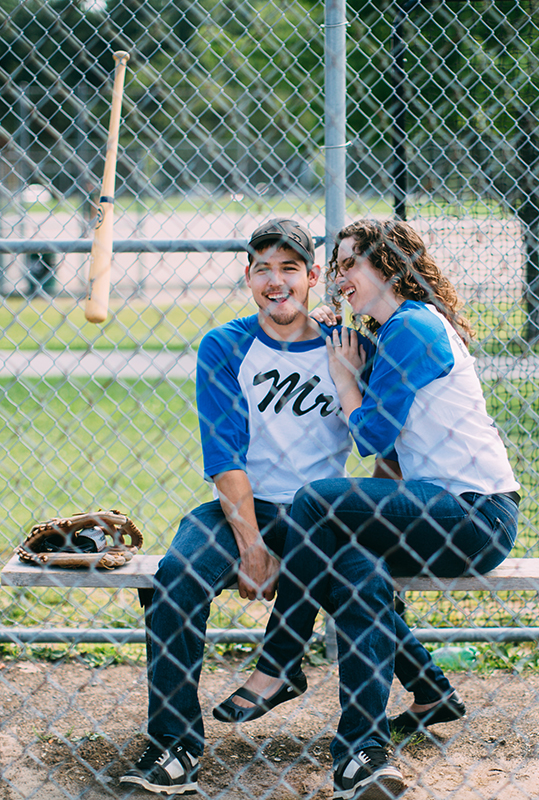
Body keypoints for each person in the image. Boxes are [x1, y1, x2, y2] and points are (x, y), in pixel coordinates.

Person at [120, 218, 429, 800]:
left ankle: (362, 752)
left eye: (290, 268)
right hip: (244, 508)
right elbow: (224, 457)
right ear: (248, 277)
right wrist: (252, 546)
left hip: (329, 517)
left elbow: (386, 449)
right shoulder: (225, 346)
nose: (276, 281)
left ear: (313, 276)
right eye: (264, 268)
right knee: (177, 578)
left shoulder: (351, 348)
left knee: (366, 584)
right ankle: (173, 745)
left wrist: (375, 521)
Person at [219, 219, 521, 798]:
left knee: (314, 502)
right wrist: (350, 355)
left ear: (386, 265)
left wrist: (342, 374)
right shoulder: (398, 328)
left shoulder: (411, 328)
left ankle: (281, 659)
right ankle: (403, 714)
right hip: (442, 508)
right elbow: (389, 455)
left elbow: (376, 439)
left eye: (348, 264)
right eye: (334, 267)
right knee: (353, 564)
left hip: (476, 515)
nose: (340, 278)